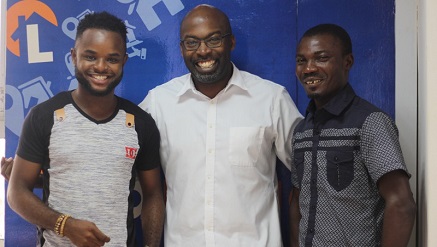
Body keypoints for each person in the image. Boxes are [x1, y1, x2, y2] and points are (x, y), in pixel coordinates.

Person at [138, 4, 303, 247]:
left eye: (214, 39)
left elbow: (310, 173)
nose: (203, 51)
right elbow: (120, 157)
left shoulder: (271, 99)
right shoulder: (159, 102)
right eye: (192, 42)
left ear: (231, 42)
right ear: (182, 49)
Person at [6, 12, 164, 247]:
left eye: (112, 59)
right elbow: (16, 193)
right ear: (74, 56)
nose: (101, 67)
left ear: (124, 62)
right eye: (90, 57)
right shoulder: (43, 117)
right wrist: (65, 225)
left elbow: (153, 195)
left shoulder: (140, 123)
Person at [289, 23, 416, 247]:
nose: (308, 68)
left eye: (321, 58)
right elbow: (298, 201)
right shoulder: (301, 131)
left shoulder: (370, 122)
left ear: (347, 62)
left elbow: (401, 203)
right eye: (302, 60)